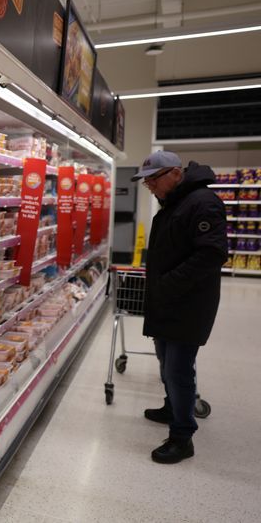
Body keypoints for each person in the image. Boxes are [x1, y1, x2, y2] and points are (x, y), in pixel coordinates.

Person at [131, 151, 227, 464]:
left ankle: (182, 436)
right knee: (165, 361)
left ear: (174, 173)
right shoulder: (176, 202)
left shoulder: (203, 203)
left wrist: (169, 282)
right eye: (146, 181)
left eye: (153, 179)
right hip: (167, 300)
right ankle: (173, 407)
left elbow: (211, 254)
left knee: (178, 368)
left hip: (188, 303)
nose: (149, 186)